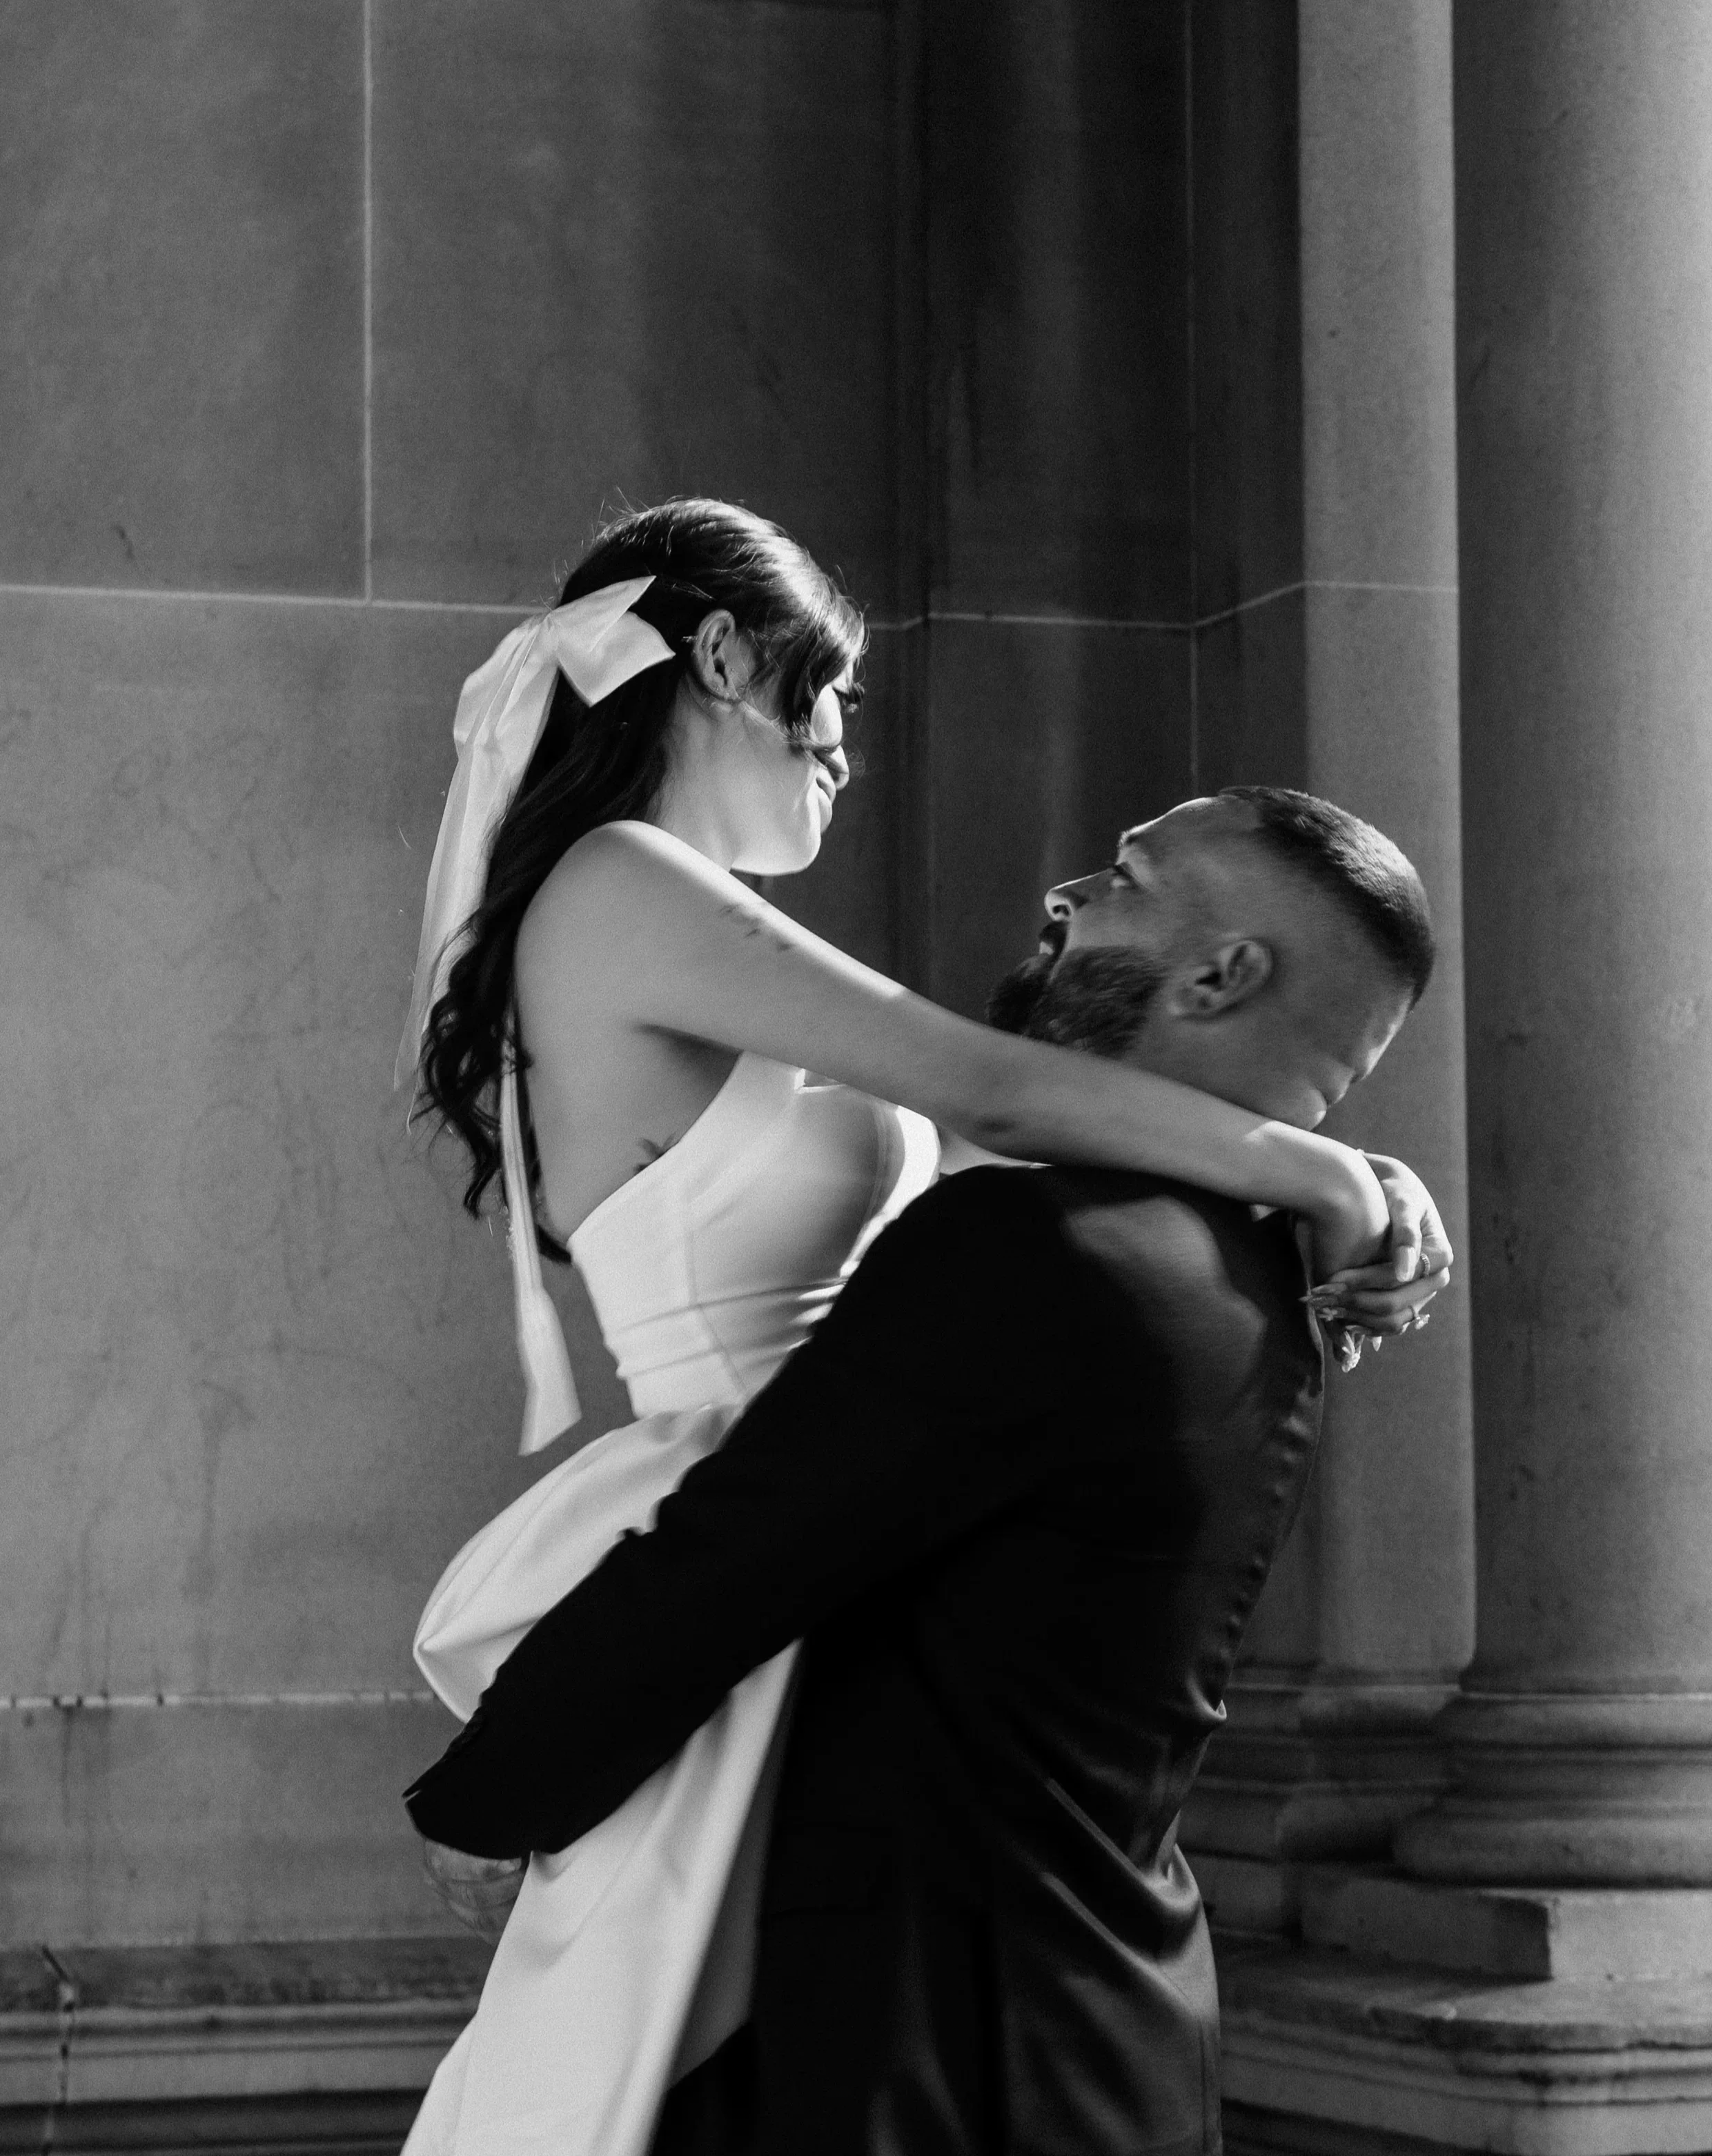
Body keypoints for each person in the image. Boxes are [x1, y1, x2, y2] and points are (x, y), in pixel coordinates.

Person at [395, 497, 1448, 2155]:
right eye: (832, 690)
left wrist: (1332, 1171)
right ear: (723, 655)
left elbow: (987, 1164)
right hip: (753, 1555)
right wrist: (1318, 1164)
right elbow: (989, 1094)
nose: (844, 742)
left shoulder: (1060, 1245)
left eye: (1120, 879)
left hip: (808, 1568)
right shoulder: (615, 881)